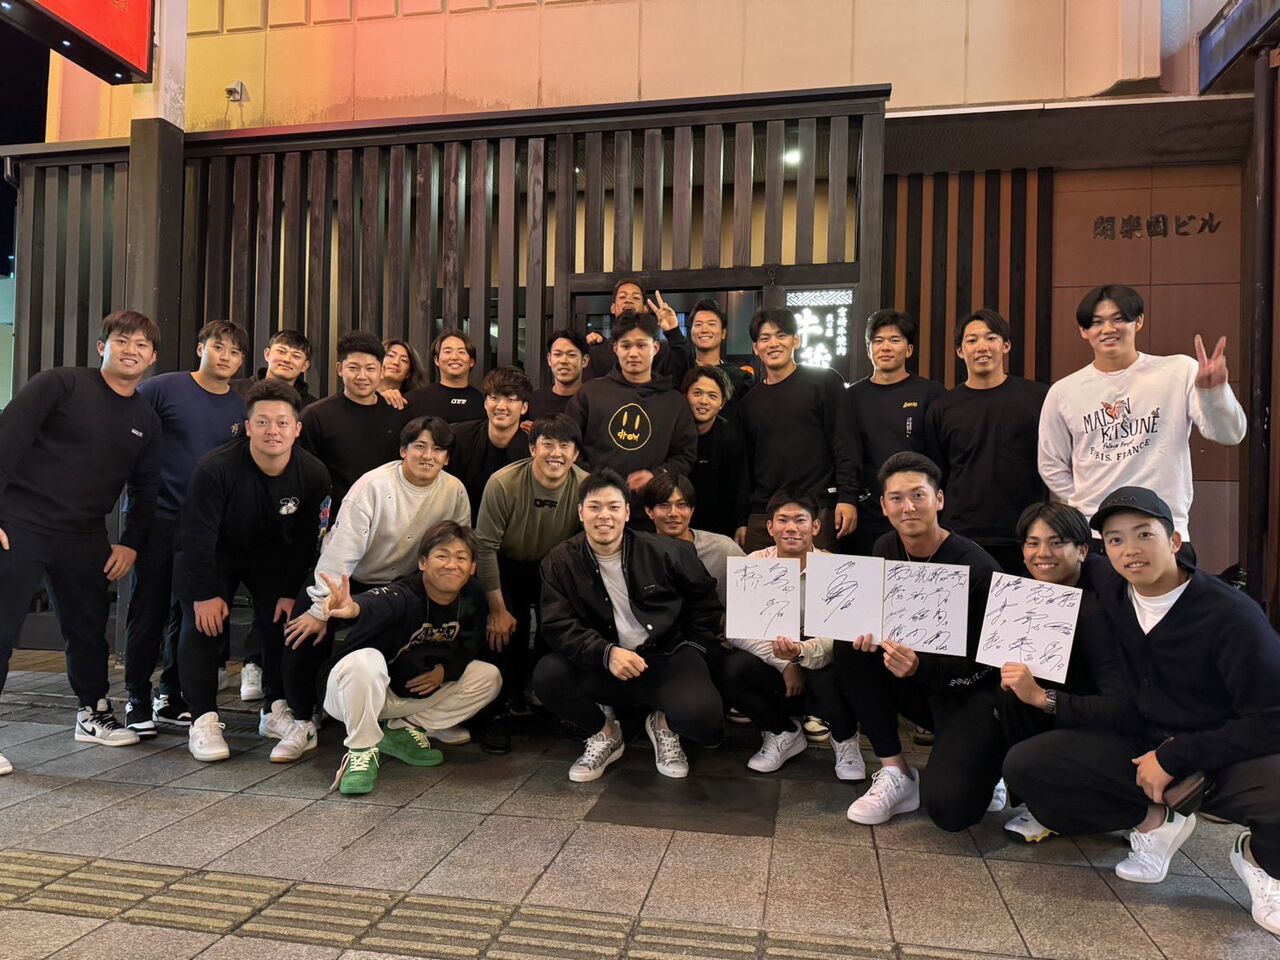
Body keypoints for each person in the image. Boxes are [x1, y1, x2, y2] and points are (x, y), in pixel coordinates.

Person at [1003, 486, 1280, 935]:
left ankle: (1262, 860)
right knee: (1029, 764)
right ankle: (1154, 821)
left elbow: (1273, 718)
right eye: (1115, 539)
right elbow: (1058, 565)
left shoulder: (1232, 616)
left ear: (1175, 541)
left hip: (1217, 751)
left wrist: (1175, 757)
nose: (1130, 550)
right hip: (1138, 744)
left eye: (1144, 534)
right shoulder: (1112, 584)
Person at [0, 310, 164, 773]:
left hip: (84, 533)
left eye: (141, 344)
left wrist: (130, 543)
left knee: (89, 630)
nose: (131, 350)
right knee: (1, 629)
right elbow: (7, 440)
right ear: (102, 347)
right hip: (20, 523)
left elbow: (147, 488)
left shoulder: (146, 419)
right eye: (121, 340)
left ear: (152, 357)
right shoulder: (60, 384)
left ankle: (92, 712)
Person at [276, 416, 470, 761]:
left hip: (406, 584)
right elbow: (341, 551)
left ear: (447, 458)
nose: (428, 456)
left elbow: (459, 544)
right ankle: (302, 719)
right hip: (352, 577)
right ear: (403, 450)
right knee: (304, 630)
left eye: (438, 449)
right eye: (420, 446)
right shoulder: (373, 485)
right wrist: (321, 609)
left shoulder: (453, 490)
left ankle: (405, 719)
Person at [834, 452, 1004, 829]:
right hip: (916, 682)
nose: (907, 507)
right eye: (896, 498)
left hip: (967, 692)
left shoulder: (979, 567)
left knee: (950, 811)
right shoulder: (885, 548)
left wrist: (921, 666)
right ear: (883, 505)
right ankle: (896, 772)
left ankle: (992, 763)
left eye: (918, 495)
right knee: (850, 645)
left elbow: (990, 663)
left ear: (938, 500)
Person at [533, 469, 724, 782]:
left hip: (666, 657)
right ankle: (606, 733)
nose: (604, 516)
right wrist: (605, 652)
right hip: (605, 662)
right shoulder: (560, 561)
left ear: (626, 512)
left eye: (613, 507)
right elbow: (557, 625)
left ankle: (663, 723)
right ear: (580, 513)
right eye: (594, 507)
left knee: (703, 718)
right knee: (548, 675)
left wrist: (694, 651)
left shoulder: (668, 551)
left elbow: (705, 606)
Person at [178, 380, 331, 763]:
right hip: (217, 554)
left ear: (297, 428)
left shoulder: (313, 473)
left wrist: (290, 591)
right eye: (262, 422)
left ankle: (275, 708)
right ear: (248, 427)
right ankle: (202, 717)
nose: (272, 431)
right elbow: (197, 537)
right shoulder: (215, 468)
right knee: (203, 625)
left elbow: (306, 540)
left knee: (283, 622)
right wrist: (205, 593)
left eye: (282, 423)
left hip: (272, 556)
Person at [1037, 284, 1246, 544]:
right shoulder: (1063, 391)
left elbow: (1230, 434)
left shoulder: (1179, 371)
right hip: (1096, 533)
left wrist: (1214, 393)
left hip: (1164, 529)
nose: (1108, 329)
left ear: (1138, 322)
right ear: (1083, 331)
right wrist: (1083, 504)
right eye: (1097, 322)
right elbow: (1051, 463)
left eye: (1119, 319)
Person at [123, 319, 249, 737]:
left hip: (207, 528)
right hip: (159, 518)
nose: (225, 357)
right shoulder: (163, 388)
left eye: (234, 352)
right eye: (218, 347)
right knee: (150, 609)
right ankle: (136, 697)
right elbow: (129, 435)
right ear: (200, 348)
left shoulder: (240, 408)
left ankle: (171, 694)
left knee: (190, 612)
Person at [316, 522, 503, 796]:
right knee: (367, 661)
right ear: (423, 562)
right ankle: (360, 750)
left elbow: (469, 646)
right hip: (348, 693)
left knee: (488, 677)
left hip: (401, 695)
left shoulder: (472, 594)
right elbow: (379, 602)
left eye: (461, 558)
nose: (452, 565)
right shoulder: (405, 593)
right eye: (442, 556)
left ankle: (404, 729)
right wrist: (354, 606)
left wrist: (447, 671)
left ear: (473, 567)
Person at [996, 501, 1132, 843]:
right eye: (1033, 543)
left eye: (1057, 543)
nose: (1043, 553)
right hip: (1063, 717)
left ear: (1082, 551)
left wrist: (1042, 698)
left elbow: (1120, 707)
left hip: (1111, 733)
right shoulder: (1023, 597)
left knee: (1023, 715)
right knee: (1008, 695)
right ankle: (1043, 804)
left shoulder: (1097, 610)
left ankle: (1138, 812)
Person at [716, 490, 863, 779]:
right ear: (770, 527)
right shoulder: (754, 564)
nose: (791, 528)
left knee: (843, 667)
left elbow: (841, 634)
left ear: (815, 527)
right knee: (732, 669)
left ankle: (845, 737)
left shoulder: (835, 568)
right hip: (773, 658)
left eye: (800, 520)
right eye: (783, 520)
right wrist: (785, 664)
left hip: (818, 657)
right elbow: (736, 630)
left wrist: (799, 655)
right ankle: (782, 732)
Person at [475, 414, 588, 753]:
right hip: (506, 565)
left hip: (554, 570)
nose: (556, 453)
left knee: (555, 632)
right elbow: (485, 547)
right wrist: (497, 610)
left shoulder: (586, 487)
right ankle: (498, 711)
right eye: (547, 444)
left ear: (575, 454)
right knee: (503, 634)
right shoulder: (503, 483)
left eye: (565, 446)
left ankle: (547, 704)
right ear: (532, 448)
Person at [924, 309, 1048, 575]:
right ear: (960, 351)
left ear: (1006, 345)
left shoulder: (1038, 398)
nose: (982, 347)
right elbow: (935, 475)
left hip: (1027, 533)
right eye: (972, 340)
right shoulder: (942, 408)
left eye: (991, 338)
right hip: (961, 533)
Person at [737, 308, 859, 552]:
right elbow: (745, 467)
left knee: (820, 577)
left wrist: (848, 497)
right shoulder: (749, 402)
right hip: (764, 515)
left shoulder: (824, 381)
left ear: (796, 340)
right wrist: (742, 519)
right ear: (755, 348)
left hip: (816, 510)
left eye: (781, 335)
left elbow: (844, 442)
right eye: (765, 338)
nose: (773, 343)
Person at [566, 311, 697, 513]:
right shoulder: (590, 393)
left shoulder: (674, 401)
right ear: (615, 349)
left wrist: (656, 476)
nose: (633, 353)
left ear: (655, 348)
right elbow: (568, 445)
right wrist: (598, 480)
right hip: (597, 509)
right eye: (626, 346)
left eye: (641, 345)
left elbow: (685, 455)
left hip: (653, 512)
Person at [846, 310, 945, 557]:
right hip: (867, 512)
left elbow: (940, 455)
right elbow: (846, 454)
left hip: (917, 512)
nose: (885, 347)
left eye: (894, 340)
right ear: (868, 350)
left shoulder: (930, 393)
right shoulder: (851, 397)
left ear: (909, 350)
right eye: (878, 341)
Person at [300, 331, 407, 514]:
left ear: (381, 371)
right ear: (340, 369)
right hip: (334, 519)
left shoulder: (398, 415)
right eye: (353, 368)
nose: (362, 376)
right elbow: (303, 473)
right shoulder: (315, 416)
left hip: (387, 516)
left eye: (370, 369)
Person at [642, 472, 744, 608]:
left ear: (692, 510)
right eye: (664, 505)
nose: (673, 513)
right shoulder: (639, 554)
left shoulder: (723, 549)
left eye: (681, 505)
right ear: (649, 511)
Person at [447, 367, 532, 524]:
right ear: (485, 403)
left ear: (524, 407)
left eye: (511, 399)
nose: (501, 406)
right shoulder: (458, 436)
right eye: (494, 398)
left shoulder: (532, 450)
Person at [585, 277, 692, 385]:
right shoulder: (597, 351)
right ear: (612, 308)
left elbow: (681, 377)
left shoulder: (662, 351)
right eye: (622, 297)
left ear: (645, 309)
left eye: (636, 297)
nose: (628, 300)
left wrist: (674, 332)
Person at [684, 366, 749, 539]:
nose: (704, 401)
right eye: (697, 393)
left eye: (712, 396)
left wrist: (741, 522)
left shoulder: (732, 437)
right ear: (685, 396)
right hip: (677, 525)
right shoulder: (672, 432)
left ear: (722, 404)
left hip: (720, 528)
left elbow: (741, 484)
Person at [686, 298, 754, 412]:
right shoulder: (683, 371)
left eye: (711, 324)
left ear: (723, 333)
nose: (704, 329)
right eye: (698, 324)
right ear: (690, 331)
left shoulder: (740, 378)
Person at [405, 329, 486, 423]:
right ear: (436, 360)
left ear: (471, 361)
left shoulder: (483, 401)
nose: (455, 357)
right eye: (447, 351)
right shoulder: (415, 399)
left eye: (461, 352)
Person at [233, 328, 318, 409]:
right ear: (267, 354)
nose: (287, 360)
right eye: (281, 352)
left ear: (305, 366)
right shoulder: (234, 390)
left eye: (296, 356)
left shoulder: (312, 408)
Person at [526, 329, 591, 421]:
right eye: (557, 354)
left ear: (584, 360)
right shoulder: (534, 400)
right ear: (549, 359)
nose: (563, 361)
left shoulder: (593, 402)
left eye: (571, 355)